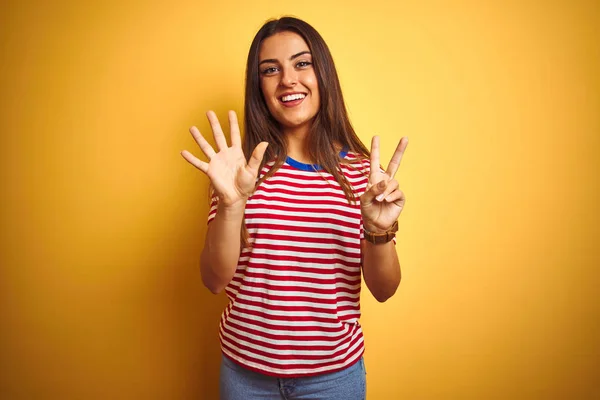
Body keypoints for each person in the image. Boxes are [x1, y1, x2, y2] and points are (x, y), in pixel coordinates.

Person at [181, 16, 408, 400]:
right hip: (244, 375)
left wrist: (378, 230)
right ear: (259, 87)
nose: (287, 79)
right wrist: (232, 204)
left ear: (323, 75)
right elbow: (214, 279)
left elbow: (383, 290)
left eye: (301, 63)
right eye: (271, 70)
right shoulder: (240, 171)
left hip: (333, 379)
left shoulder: (361, 175)